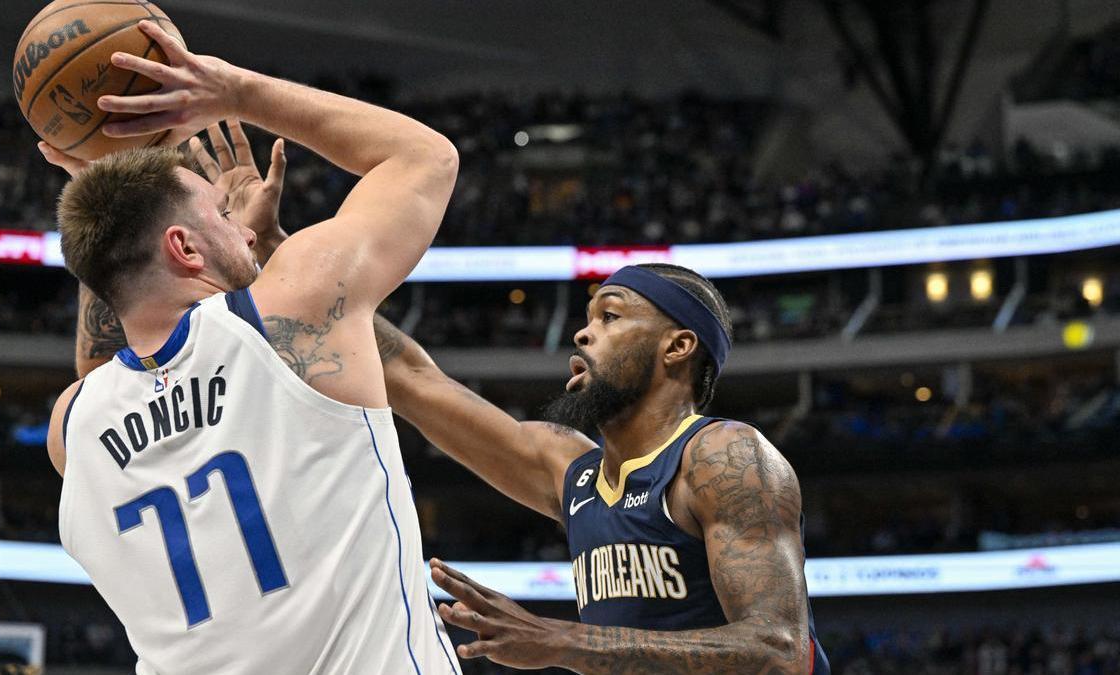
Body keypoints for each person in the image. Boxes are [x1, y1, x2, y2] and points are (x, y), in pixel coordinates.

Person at [43, 20, 461, 674]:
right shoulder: (291, 307)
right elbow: (424, 158)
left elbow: (107, 357)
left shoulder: (74, 423)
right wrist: (231, 91)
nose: (239, 221)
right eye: (219, 211)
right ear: (183, 247)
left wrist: (110, 176)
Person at [373, 264, 832, 674]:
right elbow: (413, 380)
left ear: (677, 346)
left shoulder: (721, 455)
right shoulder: (571, 470)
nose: (582, 334)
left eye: (609, 316)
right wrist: (307, 263)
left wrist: (564, 641)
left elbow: (780, 651)